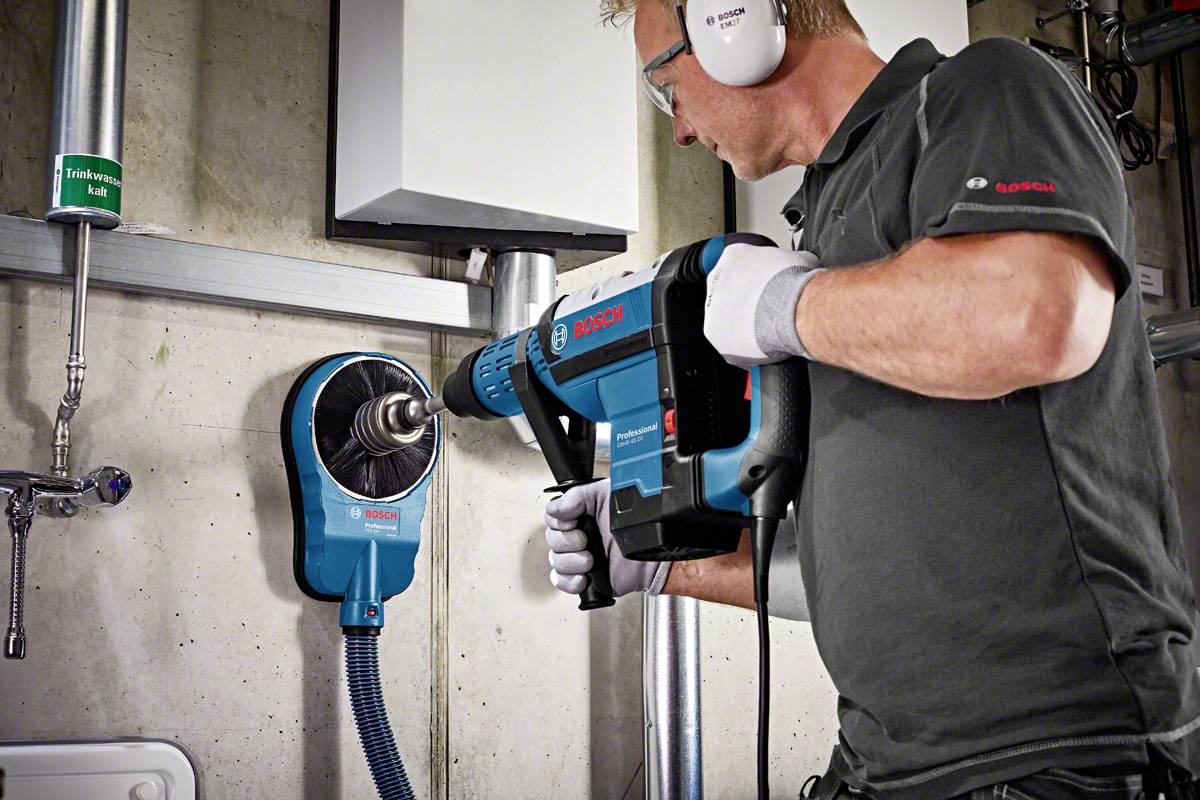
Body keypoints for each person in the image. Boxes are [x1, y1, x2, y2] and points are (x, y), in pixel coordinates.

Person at [544, 1, 1200, 798]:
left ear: (735, 21)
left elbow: (1036, 315)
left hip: (1049, 754)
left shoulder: (985, 90)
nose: (678, 128)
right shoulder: (820, 221)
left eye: (666, 84)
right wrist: (661, 567)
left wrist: (786, 307)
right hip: (884, 764)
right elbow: (859, 573)